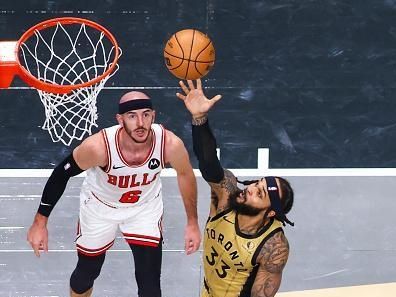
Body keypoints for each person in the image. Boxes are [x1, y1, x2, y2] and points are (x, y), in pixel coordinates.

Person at [27, 91, 201, 297]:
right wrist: (40, 223)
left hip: (143, 208)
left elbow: (185, 174)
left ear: (153, 116)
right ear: (120, 119)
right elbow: (61, 174)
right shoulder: (98, 147)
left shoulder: (169, 144)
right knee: (86, 274)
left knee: (150, 284)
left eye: (146, 115)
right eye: (132, 116)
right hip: (100, 208)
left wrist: (192, 222)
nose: (140, 123)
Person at [176, 79, 294, 297]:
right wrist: (199, 118)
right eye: (256, 185)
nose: (250, 190)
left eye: (259, 194)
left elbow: (260, 295)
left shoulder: (273, 247)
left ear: (270, 212)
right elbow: (208, 163)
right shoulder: (227, 196)